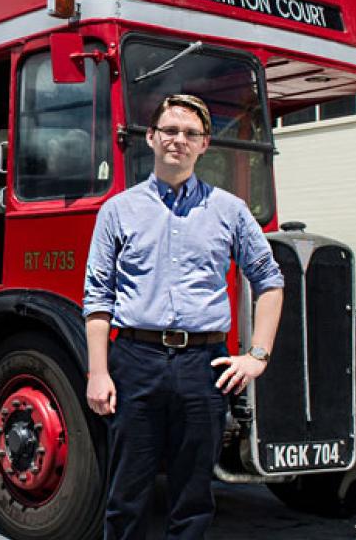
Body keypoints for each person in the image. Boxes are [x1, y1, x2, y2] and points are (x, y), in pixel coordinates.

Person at [82, 93, 284, 539]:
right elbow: (98, 298)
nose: (179, 140)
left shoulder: (230, 211)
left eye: (190, 133)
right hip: (135, 361)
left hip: (203, 367)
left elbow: (270, 280)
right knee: (126, 495)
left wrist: (258, 356)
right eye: (170, 131)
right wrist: (99, 372)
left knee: (193, 500)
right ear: (151, 138)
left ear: (204, 144)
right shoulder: (117, 210)